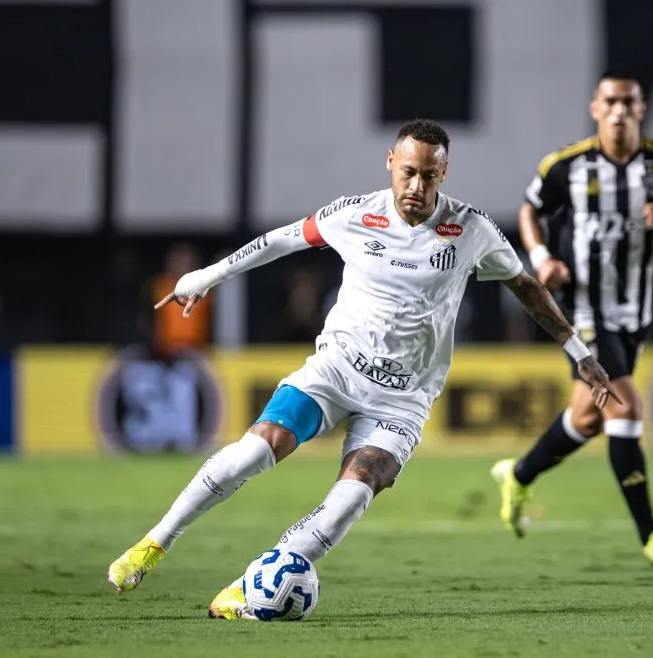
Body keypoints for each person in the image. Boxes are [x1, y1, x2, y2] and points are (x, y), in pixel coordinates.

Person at [106, 119, 620, 618]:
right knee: (255, 450)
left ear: (444, 174)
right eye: (408, 171)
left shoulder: (470, 229)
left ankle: (261, 579)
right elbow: (281, 240)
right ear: (391, 163)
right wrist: (210, 275)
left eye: (429, 175)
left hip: (404, 396)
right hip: (336, 371)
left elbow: (526, 286)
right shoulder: (354, 214)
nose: (416, 185)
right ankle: (155, 543)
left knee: (360, 486)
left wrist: (582, 354)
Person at [490, 69, 653, 569]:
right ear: (596, 107)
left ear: (641, 110)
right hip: (582, 306)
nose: (619, 111)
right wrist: (542, 256)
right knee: (624, 405)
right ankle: (651, 535)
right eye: (610, 101)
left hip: (634, 310)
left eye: (628, 103)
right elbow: (529, 209)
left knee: (588, 417)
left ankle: (519, 475)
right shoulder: (567, 165)